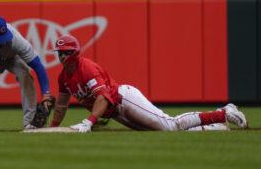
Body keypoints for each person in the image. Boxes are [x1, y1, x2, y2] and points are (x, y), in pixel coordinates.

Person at [50, 35, 248, 132]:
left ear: (74, 52)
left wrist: (89, 122)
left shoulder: (86, 68)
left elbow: (102, 97)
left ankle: (224, 112)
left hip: (123, 99)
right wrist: (53, 128)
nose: (62, 56)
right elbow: (61, 105)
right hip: (115, 111)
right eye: (60, 53)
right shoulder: (64, 77)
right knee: (160, 132)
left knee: (170, 125)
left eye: (65, 52)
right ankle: (214, 126)